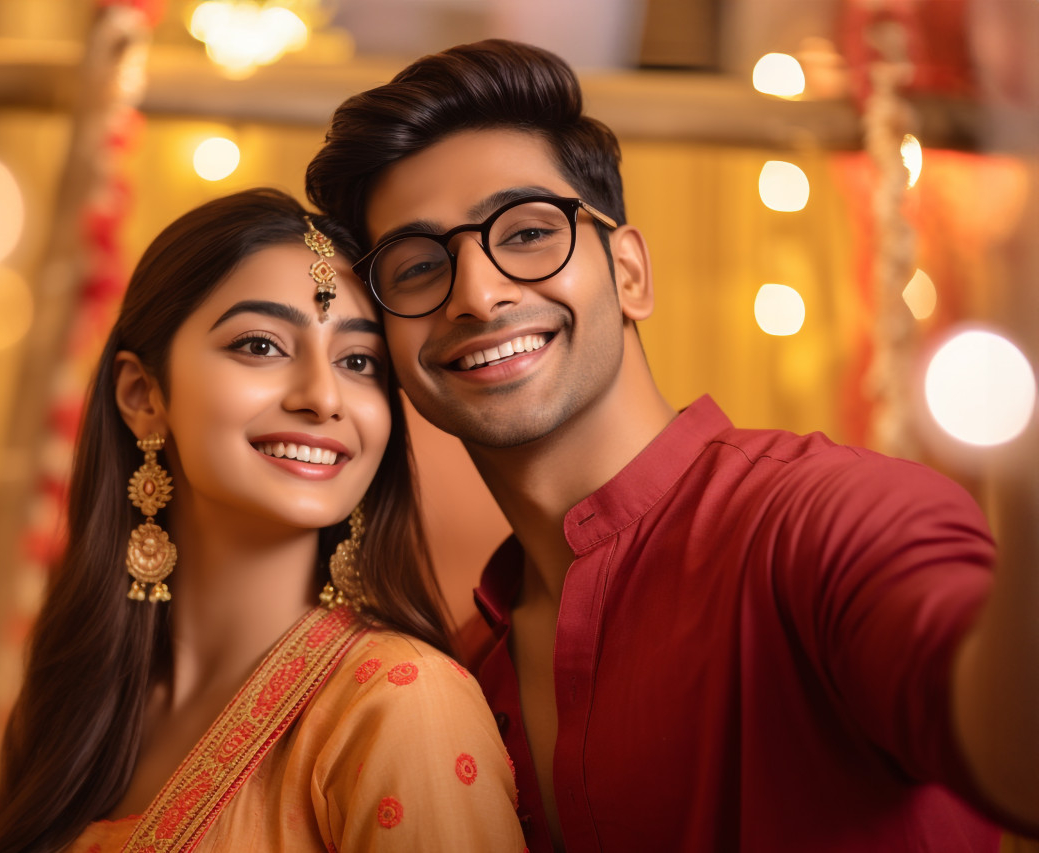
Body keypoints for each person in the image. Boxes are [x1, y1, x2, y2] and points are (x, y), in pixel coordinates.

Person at [305, 39, 1039, 853]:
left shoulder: (827, 519)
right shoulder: (464, 677)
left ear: (629, 273)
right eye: (416, 268)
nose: (478, 294)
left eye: (529, 232)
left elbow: (1017, 758)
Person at [0, 189, 525, 853]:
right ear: (142, 394)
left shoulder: (402, 702)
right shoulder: (72, 701)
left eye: (359, 362)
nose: (323, 397)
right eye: (261, 345)